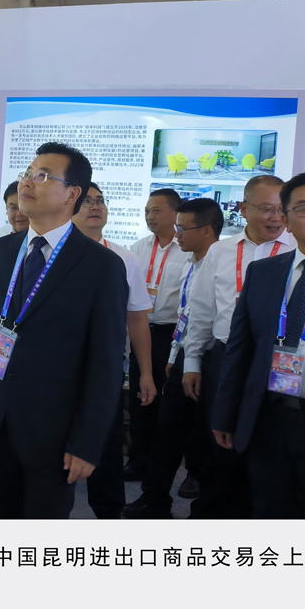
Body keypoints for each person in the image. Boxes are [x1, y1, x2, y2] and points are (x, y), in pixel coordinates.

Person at [0, 142, 128, 519]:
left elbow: (105, 363)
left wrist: (88, 442)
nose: (27, 182)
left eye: (42, 176)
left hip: (54, 432)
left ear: (71, 194)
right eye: (27, 173)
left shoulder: (102, 266)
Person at [212, 170, 305, 519]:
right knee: (268, 511)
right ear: (285, 220)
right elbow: (240, 350)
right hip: (269, 418)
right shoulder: (264, 272)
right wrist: (225, 414)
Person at [180, 175, 295, 517]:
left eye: (282, 209)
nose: (276, 217)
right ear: (244, 209)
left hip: (277, 361)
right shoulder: (220, 251)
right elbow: (202, 310)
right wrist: (192, 362)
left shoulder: (297, 250)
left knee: (269, 446)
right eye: (267, 209)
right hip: (226, 358)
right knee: (220, 444)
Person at [123, 197, 221, 518]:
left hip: (210, 356)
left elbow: (208, 319)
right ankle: (154, 498)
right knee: (165, 424)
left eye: (183, 228)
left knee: (201, 430)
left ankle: (200, 498)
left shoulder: (220, 264)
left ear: (206, 230)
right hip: (180, 350)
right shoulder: (190, 261)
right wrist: (178, 353)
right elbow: (187, 313)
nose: (178, 234)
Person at [70, 183, 155, 519]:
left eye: (101, 201)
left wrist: (145, 373)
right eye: (87, 201)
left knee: (105, 446)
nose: (96, 207)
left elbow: (137, 319)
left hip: (104, 370)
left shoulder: (125, 258)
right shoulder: (53, 255)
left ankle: (109, 515)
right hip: (58, 370)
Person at [125, 189, 193, 481]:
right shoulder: (138, 248)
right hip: (141, 331)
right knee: (140, 398)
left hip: (172, 335)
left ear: (175, 214)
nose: (150, 217)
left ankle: (168, 468)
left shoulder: (187, 248)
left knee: (171, 402)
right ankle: (138, 460)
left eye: (156, 211)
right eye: (146, 211)